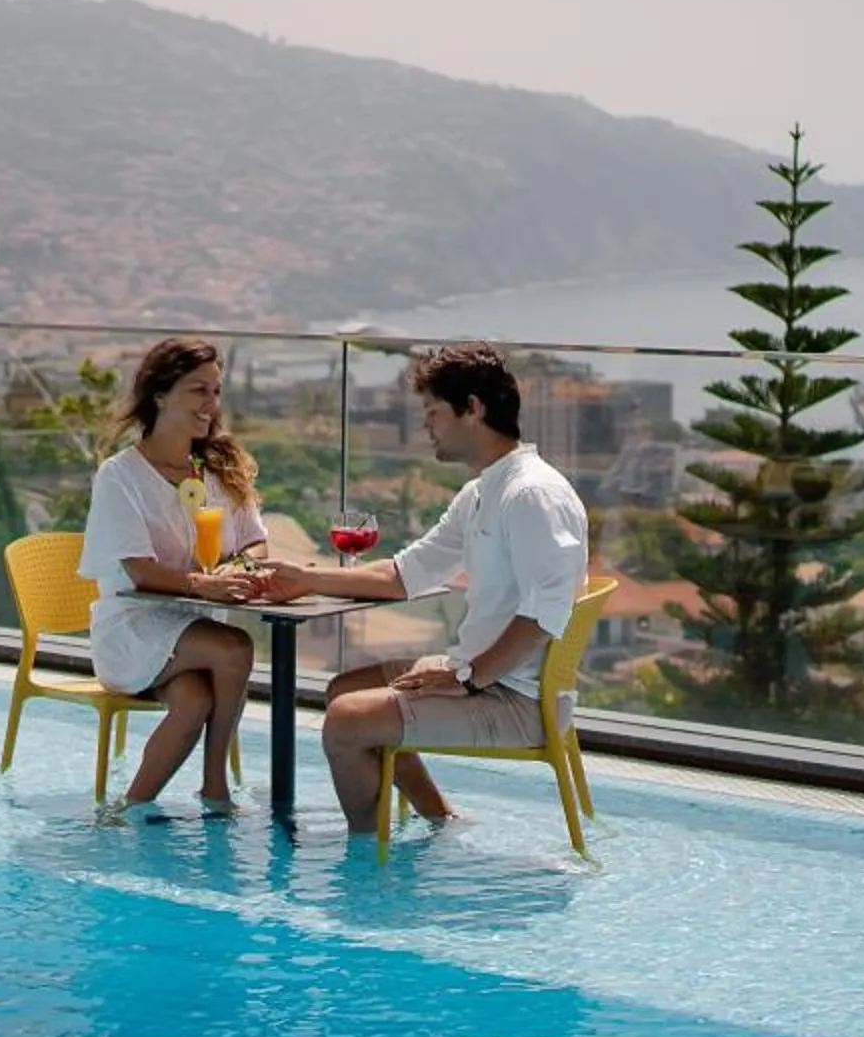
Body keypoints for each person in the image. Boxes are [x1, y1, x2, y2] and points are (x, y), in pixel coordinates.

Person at [253, 342, 588, 834]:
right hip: (480, 676)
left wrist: (465, 679)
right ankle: (441, 819)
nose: (425, 426)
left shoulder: (531, 494)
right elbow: (403, 575)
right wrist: (309, 578)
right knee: (346, 688)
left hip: (514, 699)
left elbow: (547, 614)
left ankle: (367, 866)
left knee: (347, 722)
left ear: (472, 408)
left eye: (433, 412)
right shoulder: (482, 492)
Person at [76, 336, 269, 820]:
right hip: (132, 630)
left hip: (191, 629)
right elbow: (139, 572)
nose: (211, 404)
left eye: (216, 391)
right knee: (235, 648)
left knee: (195, 701)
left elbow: (255, 542)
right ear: (160, 395)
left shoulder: (219, 467)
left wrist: (238, 568)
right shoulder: (121, 476)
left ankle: (129, 811)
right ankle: (215, 786)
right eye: (198, 390)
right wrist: (205, 585)